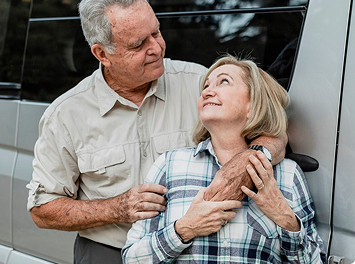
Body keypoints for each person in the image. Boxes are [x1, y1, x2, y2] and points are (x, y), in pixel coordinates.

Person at [26, 0, 287, 263]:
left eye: (156, 32)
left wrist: (250, 157)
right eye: (138, 44)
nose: (156, 48)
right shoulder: (65, 114)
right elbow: (43, 210)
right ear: (102, 53)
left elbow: (277, 134)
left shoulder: (199, 83)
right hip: (108, 251)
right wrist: (117, 208)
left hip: (195, 250)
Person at [122, 55, 326, 263]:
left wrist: (284, 217)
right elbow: (132, 258)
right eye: (206, 85)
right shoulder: (169, 165)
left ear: (253, 105)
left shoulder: (287, 174)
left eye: (224, 81)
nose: (207, 91)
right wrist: (184, 229)